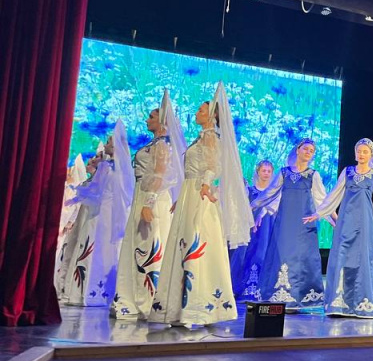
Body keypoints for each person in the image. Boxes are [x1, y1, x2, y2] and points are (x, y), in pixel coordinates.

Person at [150, 83, 253, 327]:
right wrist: (183, 197)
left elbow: (214, 165)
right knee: (184, 243)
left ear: (212, 116)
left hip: (200, 196)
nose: (196, 113)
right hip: (190, 193)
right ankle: (180, 307)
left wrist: (205, 184)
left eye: (201, 110)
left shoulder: (210, 137)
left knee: (197, 243)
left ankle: (198, 307)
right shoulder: (201, 137)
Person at [306, 138, 373, 318]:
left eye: (365, 152)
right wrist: (319, 213)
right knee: (342, 256)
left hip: (364, 224)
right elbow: (334, 195)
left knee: (362, 257)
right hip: (345, 222)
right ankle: (339, 303)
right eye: (359, 151)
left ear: (371, 155)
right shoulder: (348, 172)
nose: (361, 154)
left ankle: (360, 301)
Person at [111, 91, 184, 319]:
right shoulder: (154, 143)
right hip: (142, 194)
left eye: (151, 117)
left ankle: (149, 300)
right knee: (137, 245)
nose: (147, 120)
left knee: (149, 245)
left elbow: (160, 175)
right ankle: (132, 297)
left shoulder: (162, 145)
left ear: (161, 121)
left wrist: (149, 203)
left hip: (153, 198)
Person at [58, 124, 133, 308]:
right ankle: (83, 290)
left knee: (103, 248)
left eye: (109, 142)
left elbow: (121, 194)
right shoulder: (105, 167)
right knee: (88, 244)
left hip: (106, 213)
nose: (106, 145)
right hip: (97, 212)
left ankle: (100, 291)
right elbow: (95, 189)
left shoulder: (119, 169)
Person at [253, 139, 328, 312]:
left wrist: (335, 220)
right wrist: (252, 206)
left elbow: (322, 201)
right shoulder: (284, 173)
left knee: (302, 258)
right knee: (282, 255)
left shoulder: (313, 175)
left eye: (311, 150)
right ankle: (279, 295)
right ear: (298, 150)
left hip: (304, 225)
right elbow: (270, 193)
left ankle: (298, 297)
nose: (308, 152)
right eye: (305, 148)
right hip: (285, 224)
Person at [230, 159, 276, 303]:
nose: (266, 173)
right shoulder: (249, 190)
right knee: (245, 254)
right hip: (249, 226)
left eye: (269, 171)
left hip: (266, 227)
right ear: (258, 172)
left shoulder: (273, 192)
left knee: (261, 253)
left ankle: (258, 289)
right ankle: (239, 288)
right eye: (264, 170)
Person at [53, 154, 87, 291]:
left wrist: (70, 222)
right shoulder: (64, 186)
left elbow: (75, 206)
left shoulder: (73, 188)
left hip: (62, 224)